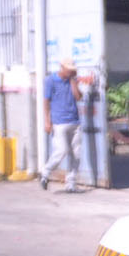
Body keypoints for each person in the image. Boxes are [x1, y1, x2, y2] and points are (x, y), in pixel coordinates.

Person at [42, 57, 81, 192]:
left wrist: (74, 82)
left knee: (76, 154)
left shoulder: (72, 80)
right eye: (69, 70)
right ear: (62, 68)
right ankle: (46, 172)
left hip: (74, 121)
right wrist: (47, 121)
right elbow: (46, 102)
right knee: (61, 150)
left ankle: (70, 183)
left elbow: (78, 97)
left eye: (72, 71)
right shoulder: (50, 80)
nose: (71, 72)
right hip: (59, 122)